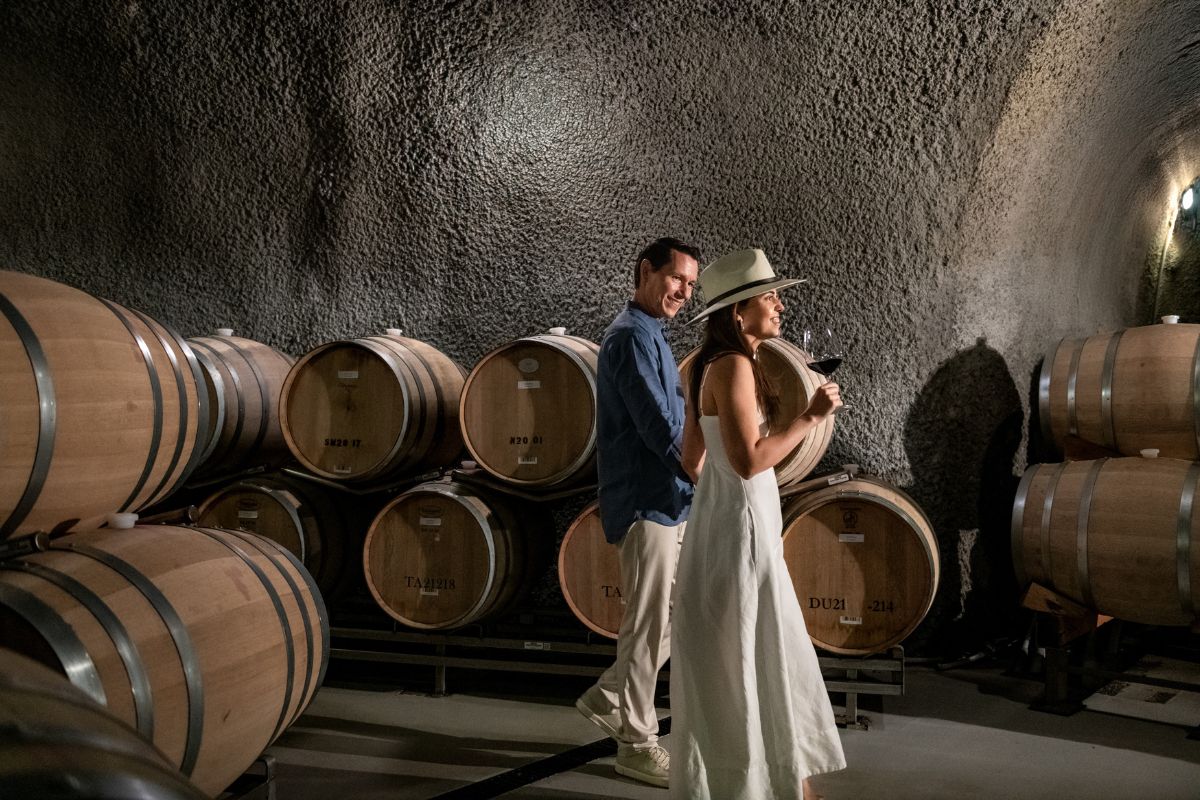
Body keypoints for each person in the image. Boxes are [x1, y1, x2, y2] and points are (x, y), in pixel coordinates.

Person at [671, 248, 847, 800]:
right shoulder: (734, 365)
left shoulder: (704, 365)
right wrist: (811, 418)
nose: (779, 305)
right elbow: (749, 460)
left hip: (721, 525)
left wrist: (721, 497)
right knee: (762, 651)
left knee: (738, 655)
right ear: (736, 313)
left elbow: (692, 459)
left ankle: (762, 783)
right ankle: (778, 786)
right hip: (745, 528)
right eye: (768, 297)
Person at [575, 236, 701, 788]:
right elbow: (659, 430)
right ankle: (635, 742)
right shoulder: (629, 338)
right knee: (647, 625)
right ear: (646, 272)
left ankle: (609, 696)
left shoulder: (652, 334)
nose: (684, 292)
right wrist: (709, 473)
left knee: (672, 618)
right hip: (647, 502)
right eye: (677, 279)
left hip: (667, 502)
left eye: (692, 285)